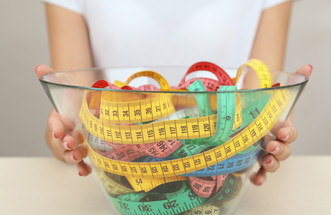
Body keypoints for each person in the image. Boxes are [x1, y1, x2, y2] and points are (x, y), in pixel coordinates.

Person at [35, 0, 313, 185]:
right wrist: (67, 133)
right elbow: (75, 108)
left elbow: (258, 101)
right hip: (123, 171)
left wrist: (266, 129)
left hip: (222, 168)